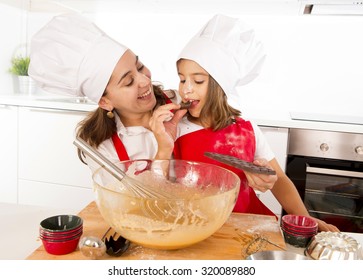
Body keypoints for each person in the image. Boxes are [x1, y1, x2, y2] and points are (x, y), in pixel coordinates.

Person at [151, 14, 339, 232]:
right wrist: (163, 146)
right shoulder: (175, 129)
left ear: (221, 86)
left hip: (246, 228)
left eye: (198, 80)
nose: (186, 89)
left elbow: (279, 181)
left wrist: (310, 221)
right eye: (182, 79)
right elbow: (156, 189)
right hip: (194, 228)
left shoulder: (247, 129)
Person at [28, 13, 185, 173]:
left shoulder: (180, 102)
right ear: (105, 102)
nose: (145, 81)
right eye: (129, 82)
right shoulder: (102, 149)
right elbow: (131, 198)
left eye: (139, 67)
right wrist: (164, 151)